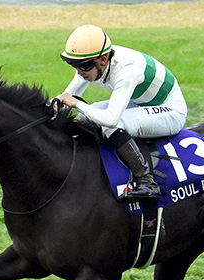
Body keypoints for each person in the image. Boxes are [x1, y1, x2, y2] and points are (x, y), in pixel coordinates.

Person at [57, 25, 187, 200]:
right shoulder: (94, 61)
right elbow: (69, 95)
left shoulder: (127, 70)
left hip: (171, 111)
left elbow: (111, 119)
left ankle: (147, 181)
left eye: (83, 66)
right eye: (74, 65)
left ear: (103, 60)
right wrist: (52, 106)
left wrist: (76, 103)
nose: (79, 72)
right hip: (142, 103)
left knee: (110, 125)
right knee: (86, 116)